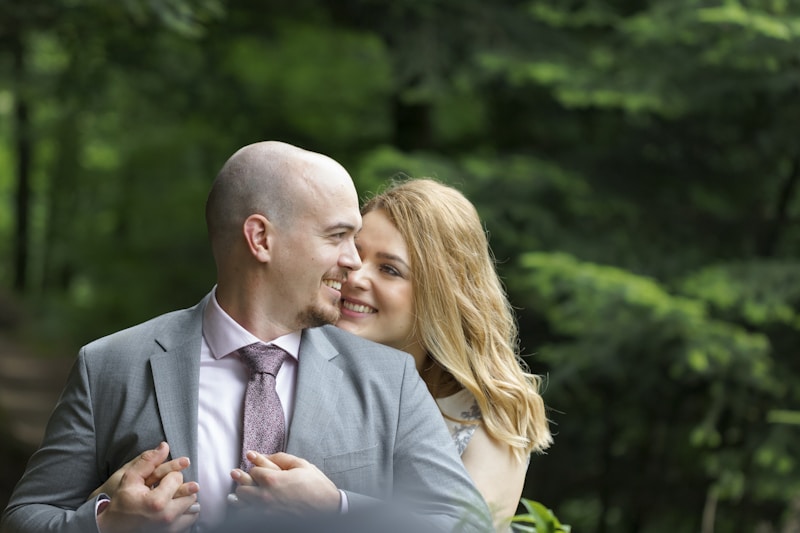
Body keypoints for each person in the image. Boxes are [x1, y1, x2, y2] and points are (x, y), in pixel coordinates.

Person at [0, 142, 492, 533]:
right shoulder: (109, 365)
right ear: (260, 239)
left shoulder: (391, 380)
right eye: (337, 236)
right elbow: (25, 518)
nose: (351, 260)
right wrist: (106, 523)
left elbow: (469, 527)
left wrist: (339, 510)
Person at [336, 178, 553, 532]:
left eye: (389, 269)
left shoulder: (490, 412)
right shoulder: (290, 360)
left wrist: (336, 508)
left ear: (440, 292)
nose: (355, 277)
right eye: (355, 255)